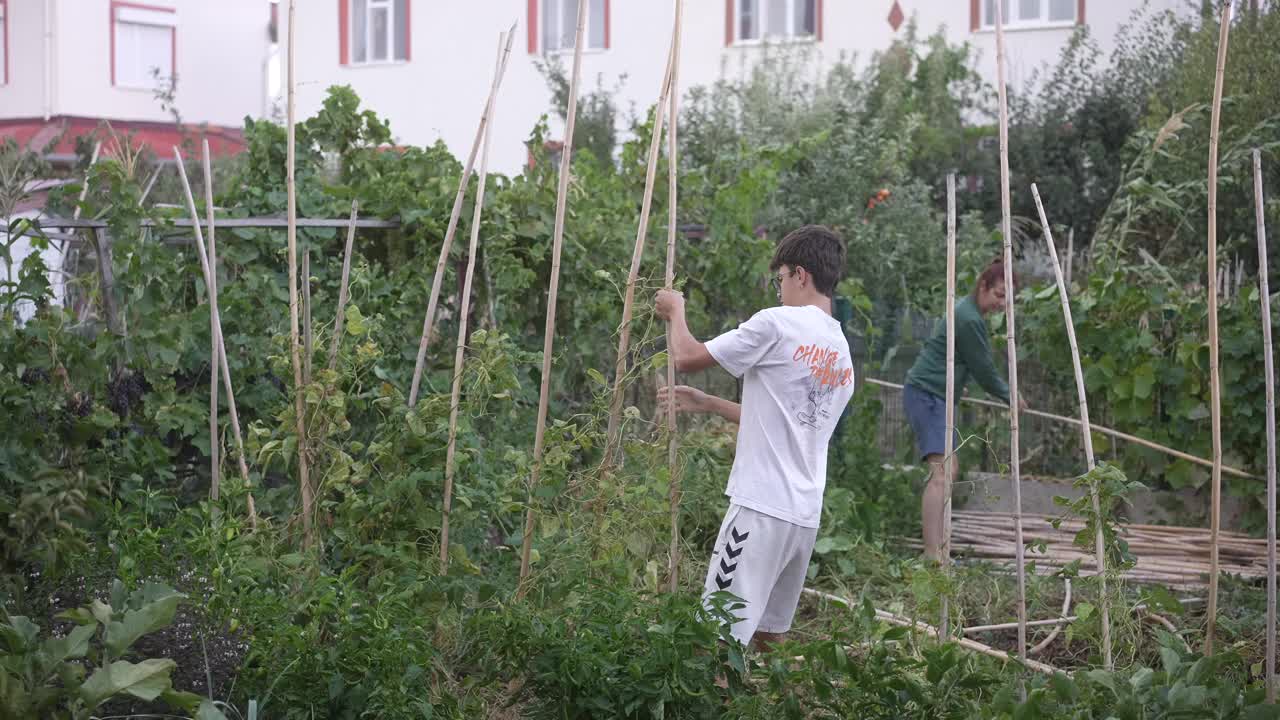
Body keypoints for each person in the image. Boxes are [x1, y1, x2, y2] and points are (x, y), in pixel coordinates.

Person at [654, 225, 855, 650]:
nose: (778, 289)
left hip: (760, 507)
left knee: (719, 634)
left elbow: (687, 357)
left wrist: (676, 310)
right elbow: (789, 424)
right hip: (802, 516)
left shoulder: (777, 323)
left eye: (780, 277)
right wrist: (710, 403)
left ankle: (718, 704)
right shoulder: (839, 349)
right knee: (767, 634)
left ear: (800, 274)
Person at [903, 258, 1024, 563]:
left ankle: (939, 551)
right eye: (998, 295)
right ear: (983, 286)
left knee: (948, 470)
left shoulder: (966, 312)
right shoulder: (969, 319)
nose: (1002, 304)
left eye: (1007, 299)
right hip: (928, 395)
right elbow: (983, 367)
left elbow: (952, 355)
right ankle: (933, 555)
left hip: (936, 394)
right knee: (942, 472)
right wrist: (1011, 396)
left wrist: (956, 384)